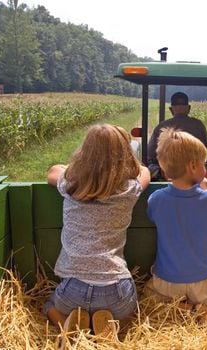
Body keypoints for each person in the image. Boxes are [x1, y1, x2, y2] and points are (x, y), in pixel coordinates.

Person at [43, 124, 150, 344]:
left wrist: (78, 168)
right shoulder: (129, 190)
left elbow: (52, 171)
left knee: (48, 305)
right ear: (126, 155)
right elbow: (145, 172)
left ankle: (66, 323)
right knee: (131, 315)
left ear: (85, 153)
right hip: (116, 291)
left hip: (72, 290)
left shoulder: (71, 184)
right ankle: (110, 329)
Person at [145, 128, 207, 323]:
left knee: (149, 297)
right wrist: (204, 191)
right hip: (200, 280)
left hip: (167, 280)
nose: (206, 168)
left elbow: (153, 216)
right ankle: (206, 313)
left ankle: (183, 308)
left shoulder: (156, 199)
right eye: (204, 164)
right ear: (193, 166)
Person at [147, 91, 207, 180]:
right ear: (188, 108)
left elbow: (151, 152)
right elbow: (205, 147)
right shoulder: (198, 125)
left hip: (168, 173)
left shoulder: (162, 126)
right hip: (194, 171)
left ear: (171, 109)